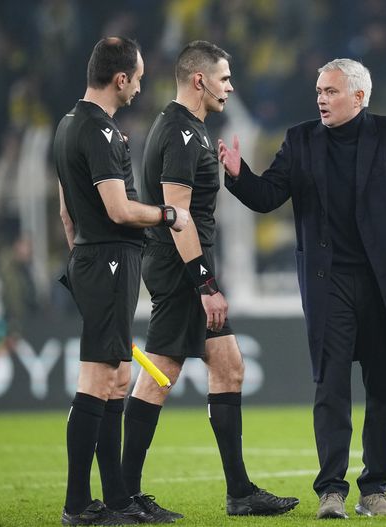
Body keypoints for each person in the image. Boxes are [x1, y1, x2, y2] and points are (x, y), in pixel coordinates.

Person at [218, 58, 386, 519]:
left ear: (358, 96)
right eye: (318, 90)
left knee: (381, 387)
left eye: (330, 91)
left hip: (385, 283)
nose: (320, 98)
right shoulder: (300, 140)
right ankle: (331, 490)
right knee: (330, 386)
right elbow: (268, 196)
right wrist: (238, 175)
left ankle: (375, 489)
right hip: (329, 284)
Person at [121, 40, 299, 519]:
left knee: (224, 366)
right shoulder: (179, 132)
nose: (230, 86)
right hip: (183, 268)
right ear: (199, 80)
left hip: (185, 265)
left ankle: (238, 492)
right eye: (223, 78)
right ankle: (127, 494)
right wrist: (204, 284)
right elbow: (177, 214)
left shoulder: (192, 130)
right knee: (161, 376)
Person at [54, 37, 189, 525]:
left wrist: (82, 259)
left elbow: (67, 210)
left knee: (117, 380)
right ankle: (77, 506)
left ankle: (116, 501)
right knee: (98, 379)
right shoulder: (101, 132)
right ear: (120, 79)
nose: (140, 86)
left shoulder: (68, 125)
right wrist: (167, 214)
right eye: (138, 77)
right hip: (109, 259)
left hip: (96, 259)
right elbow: (117, 209)